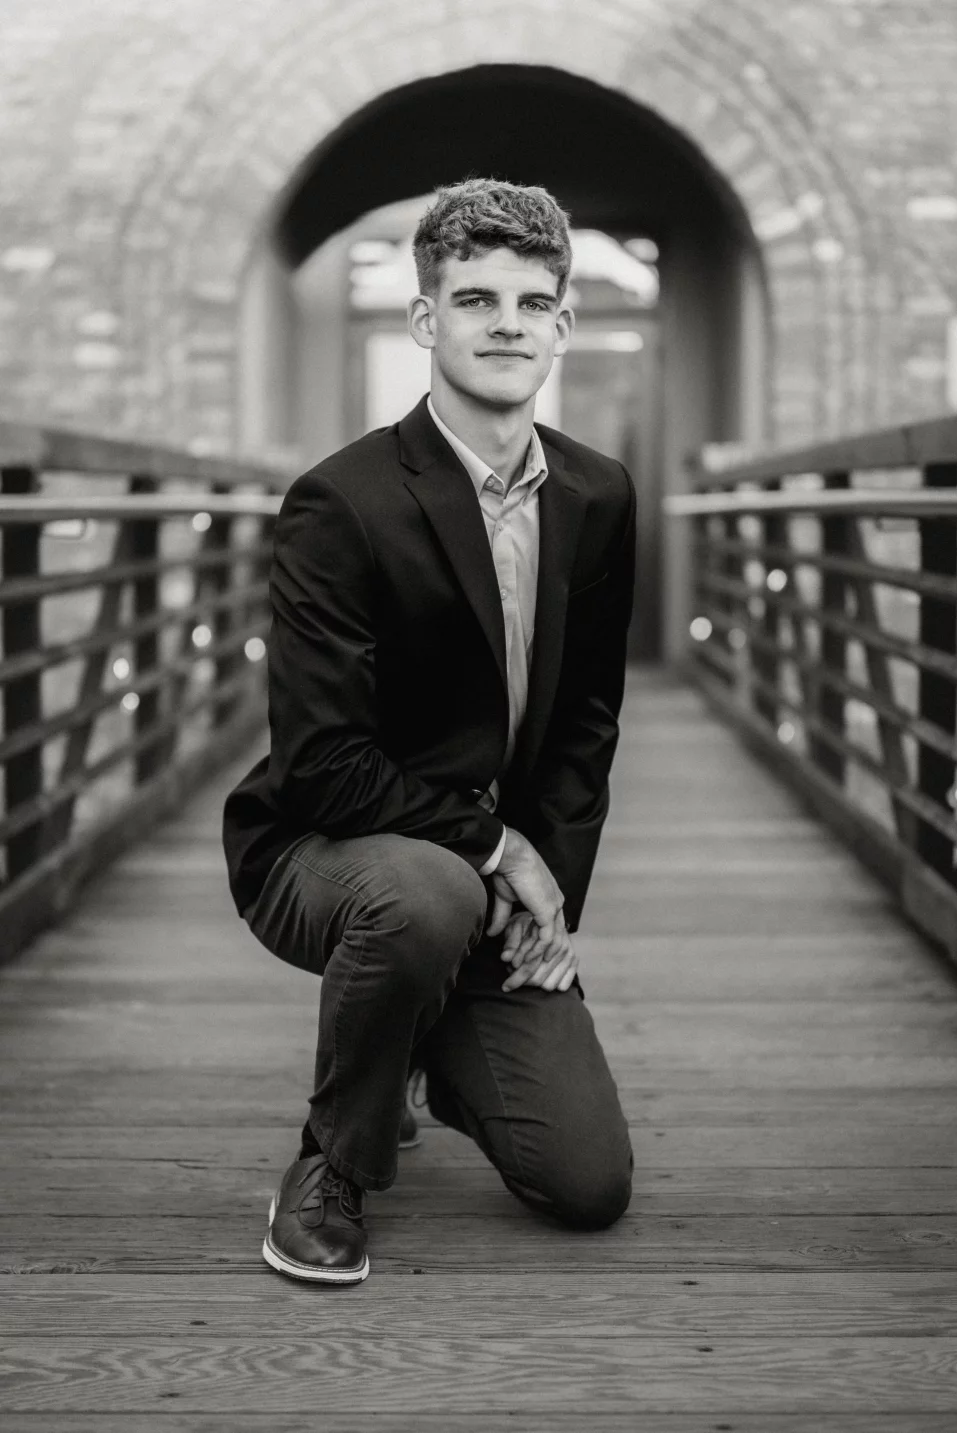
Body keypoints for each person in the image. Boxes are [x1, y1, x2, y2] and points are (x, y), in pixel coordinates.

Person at [222, 178, 637, 1285]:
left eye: (532, 301)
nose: (506, 321)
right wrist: (499, 853)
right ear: (425, 320)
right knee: (427, 891)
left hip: (477, 876)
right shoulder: (340, 502)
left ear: (562, 325)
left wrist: (552, 892)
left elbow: (586, 723)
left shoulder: (598, 496)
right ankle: (331, 1160)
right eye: (474, 298)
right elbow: (320, 764)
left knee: (587, 1183)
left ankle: (418, 1040)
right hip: (325, 853)